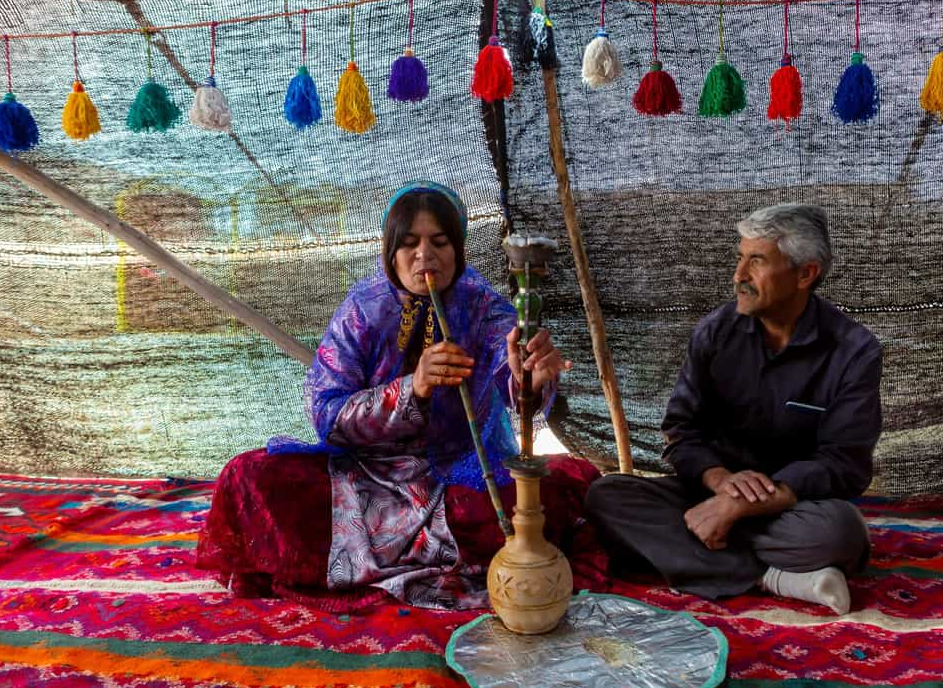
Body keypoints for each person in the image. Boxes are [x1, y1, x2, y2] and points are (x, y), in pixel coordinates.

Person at [197, 181, 606, 611]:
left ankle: (377, 559)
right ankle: (424, 556)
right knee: (248, 475)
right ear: (390, 251)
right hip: (363, 479)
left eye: (440, 242)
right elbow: (327, 415)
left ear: (459, 249)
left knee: (563, 486)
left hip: (456, 477)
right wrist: (410, 389)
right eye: (409, 243)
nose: (424, 256)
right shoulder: (363, 309)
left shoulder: (482, 306)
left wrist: (531, 376)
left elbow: (512, 382)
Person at [585, 204, 882, 615]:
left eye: (756, 261)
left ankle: (695, 550)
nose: (739, 275)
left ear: (805, 274)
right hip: (709, 494)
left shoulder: (854, 351)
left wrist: (745, 504)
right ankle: (775, 578)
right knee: (606, 497)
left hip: (790, 507)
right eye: (740, 258)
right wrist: (722, 482)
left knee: (840, 533)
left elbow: (844, 463)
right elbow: (681, 431)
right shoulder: (714, 332)